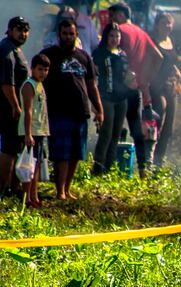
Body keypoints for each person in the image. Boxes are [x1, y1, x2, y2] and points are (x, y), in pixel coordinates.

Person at [41, 19, 103, 200]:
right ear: (59, 35)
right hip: (58, 112)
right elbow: (39, 81)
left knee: (76, 153)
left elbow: (92, 86)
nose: (68, 37)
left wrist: (99, 109)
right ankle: (59, 191)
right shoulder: (48, 56)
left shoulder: (84, 57)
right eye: (64, 33)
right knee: (61, 153)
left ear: (76, 35)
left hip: (80, 111)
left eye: (71, 34)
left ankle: (67, 189)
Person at [108, 2, 162, 177]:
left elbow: (121, 56)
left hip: (120, 87)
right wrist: (145, 79)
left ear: (122, 15)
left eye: (113, 16)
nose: (111, 20)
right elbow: (158, 57)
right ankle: (143, 168)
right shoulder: (141, 32)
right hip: (136, 87)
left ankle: (108, 167)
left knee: (113, 128)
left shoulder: (121, 31)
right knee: (136, 129)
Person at [92, 22, 132, 175]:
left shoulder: (123, 55)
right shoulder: (99, 53)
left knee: (116, 134)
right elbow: (93, 76)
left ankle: (109, 168)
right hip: (105, 97)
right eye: (111, 36)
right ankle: (98, 167)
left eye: (117, 36)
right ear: (106, 37)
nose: (114, 39)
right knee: (106, 133)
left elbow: (125, 76)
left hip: (121, 98)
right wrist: (94, 103)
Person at [0, 16, 29, 197]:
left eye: (25, 30)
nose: (22, 34)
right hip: (7, 108)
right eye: (18, 30)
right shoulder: (6, 51)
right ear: (10, 30)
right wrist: (16, 106)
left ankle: (12, 187)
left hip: (12, 107)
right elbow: (6, 84)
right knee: (8, 149)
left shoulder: (15, 49)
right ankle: (3, 190)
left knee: (14, 148)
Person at [18, 54, 51, 208]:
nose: (42, 73)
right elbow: (28, 111)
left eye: (45, 70)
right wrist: (28, 133)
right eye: (39, 69)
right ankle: (26, 198)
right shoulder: (29, 85)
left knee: (36, 166)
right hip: (31, 131)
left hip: (41, 130)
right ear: (32, 69)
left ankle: (34, 196)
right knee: (28, 167)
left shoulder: (40, 85)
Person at [150, 12, 180, 166]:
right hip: (157, 86)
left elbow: (172, 59)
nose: (167, 26)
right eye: (164, 23)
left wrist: (176, 70)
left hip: (171, 85)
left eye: (169, 23)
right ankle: (149, 156)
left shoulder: (171, 41)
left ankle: (159, 161)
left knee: (169, 125)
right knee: (159, 116)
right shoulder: (152, 41)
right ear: (157, 25)